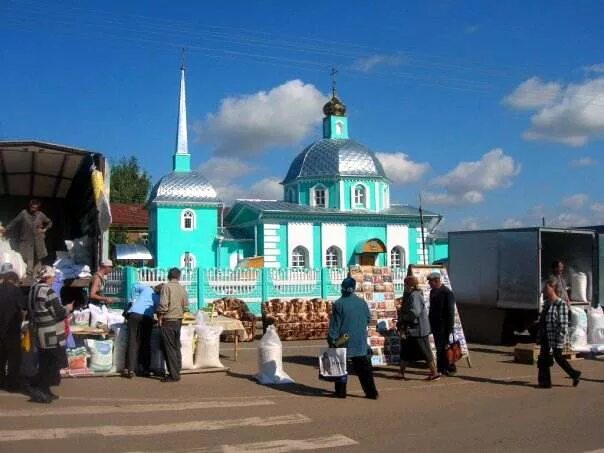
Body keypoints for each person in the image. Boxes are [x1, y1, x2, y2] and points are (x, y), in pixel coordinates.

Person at [327, 275, 378, 399]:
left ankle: (340, 392)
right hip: (360, 340)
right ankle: (371, 393)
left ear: (342, 288)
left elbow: (335, 324)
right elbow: (368, 319)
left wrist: (332, 339)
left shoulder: (339, 304)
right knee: (364, 369)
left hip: (343, 340)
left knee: (341, 366)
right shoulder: (361, 302)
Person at [27, 266, 72, 403]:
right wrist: (68, 309)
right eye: (53, 277)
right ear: (47, 277)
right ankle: (40, 389)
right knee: (53, 363)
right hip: (51, 333)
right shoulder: (48, 291)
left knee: (44, 361)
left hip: (39, 330)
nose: (54, 279)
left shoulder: (33, 289)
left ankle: (45, 391)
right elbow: (58, 313)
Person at [537, 277, 581, 389]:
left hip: (556, 336)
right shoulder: (547, 303)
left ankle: (574, 374)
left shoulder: (560, 304)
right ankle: (544, 382)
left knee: (558, 357)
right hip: (546, 334)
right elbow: (543, 319)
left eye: (547, 288)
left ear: (553, 288)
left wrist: (559, 339)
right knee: (543, 358)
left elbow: (563, 324)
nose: (545, 291)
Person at [397, 275, 440, 381]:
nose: (404, 287)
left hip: (418, 329)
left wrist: (404, 317)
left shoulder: (415, 295)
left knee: (425, 351)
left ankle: (434, 373)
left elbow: (415, 312)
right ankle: (401, 373)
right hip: (412, 329)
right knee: (405, 350)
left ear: (410, 285)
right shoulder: (412, 294)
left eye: (405, 284)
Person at [122, 283, 161, 378]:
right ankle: (145, 369)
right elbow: (158, 310)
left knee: (132, 341)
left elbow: (134, 286)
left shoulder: (146, 288)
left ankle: (130, 369)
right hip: (147, 318)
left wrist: (132, 300)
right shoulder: (159, 298)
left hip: (134, 315)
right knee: (145, 343)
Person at [5, 199, 53, 277]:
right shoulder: (24, 213)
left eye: (35, 208)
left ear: (38, 208)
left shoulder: (41, 215)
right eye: (32, 207)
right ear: (29, 206)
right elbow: (15, 221)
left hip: (38, 239)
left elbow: (49, 222)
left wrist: (44, 229)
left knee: (38, 255)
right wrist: (6, 228)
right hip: (26, 239)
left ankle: (37, 273)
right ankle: (28, 273)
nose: (33, 209)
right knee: (28, 256)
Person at [157, 268, 189, 382]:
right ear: (179, 277)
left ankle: (173, 375)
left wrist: (160, 318)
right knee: (176, 346)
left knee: (169, 348)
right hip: (178, 320)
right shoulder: (182, 288)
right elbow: (186, 305)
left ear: (168, 276)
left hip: (168, 320)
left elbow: (163, 305)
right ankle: (177, 369)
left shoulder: (166, 287)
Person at [0, 263, 27, 392]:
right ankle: (12, 384)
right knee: (14, 358)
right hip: (12, 329)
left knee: (1, 357)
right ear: (13, 277)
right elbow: (22, 309)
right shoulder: (16, 291)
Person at [427, 272, 456, 376]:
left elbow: (450, 311)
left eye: (430, 281)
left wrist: (450, 327)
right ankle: (443, 367)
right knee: (440, 347)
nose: (429, 283)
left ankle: (448, 367)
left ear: (436, 281)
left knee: (445, 346)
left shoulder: (446, 293)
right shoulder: (433, 292)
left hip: (444, 325)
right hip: (435, 324)